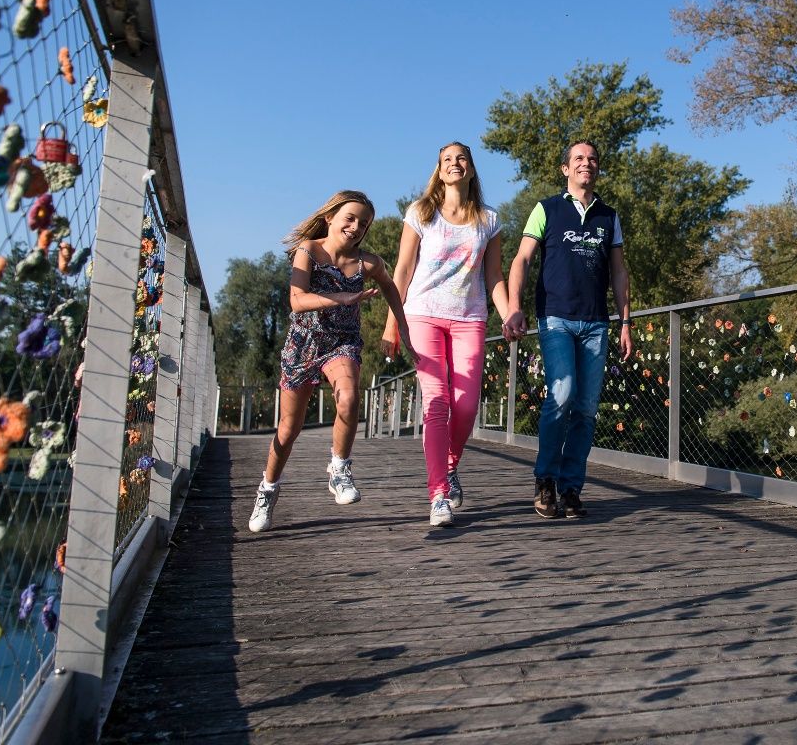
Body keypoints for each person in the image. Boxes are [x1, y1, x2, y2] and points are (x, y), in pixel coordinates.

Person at [248, 190, 414, 533]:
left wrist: (400, 328)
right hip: (303, 344)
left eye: (364, 223)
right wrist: (342, 297)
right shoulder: (308, 250)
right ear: (330, 218)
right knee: (288, 429)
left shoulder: (368, 263)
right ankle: (268, 489)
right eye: (349, 218)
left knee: (349, 398)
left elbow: (391, 288)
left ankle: (339, 469)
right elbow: (297, 300)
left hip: (342, 343)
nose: (356, 227)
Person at [504, 140, 632, 519]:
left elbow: (619, 272)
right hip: (555, 317)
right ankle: (545, 479)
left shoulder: (609, 216)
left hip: (596, 322)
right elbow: (522, 259)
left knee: (587, 408)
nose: (586, 163)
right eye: (578, 158)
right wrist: (514, 307)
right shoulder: (546, 209)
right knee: (562, 394)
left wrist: (625, 321)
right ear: (566, 168)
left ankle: (571, 487)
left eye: (592, 159)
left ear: (598, 168)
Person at [383, 142, 509, 527]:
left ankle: (450, 465)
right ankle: (438, 494)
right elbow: (402, 271)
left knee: (466, 406)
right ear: (439, 171)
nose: (455, 163)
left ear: (471, 168)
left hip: (469, 318)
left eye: (461, 158)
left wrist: (510, 314)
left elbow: (494, 277)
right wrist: (392, 325)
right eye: (447, 160)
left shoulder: (489, 220)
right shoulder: (421, 213)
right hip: (422, 314)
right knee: (436, 401)